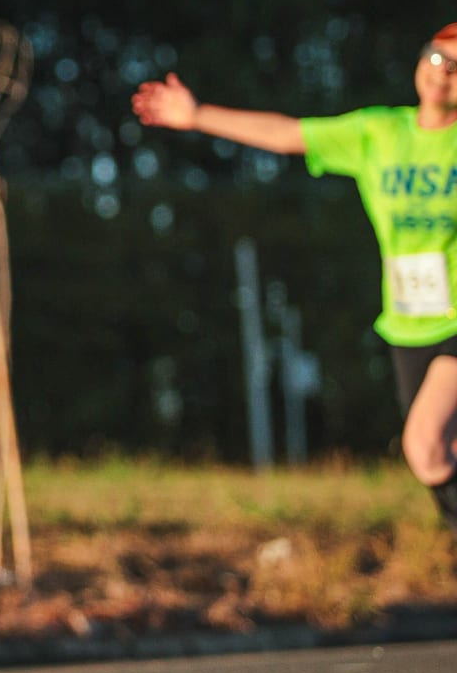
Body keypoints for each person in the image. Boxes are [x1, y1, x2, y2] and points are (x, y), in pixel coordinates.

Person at [132, 31, 457, 535]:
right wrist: (197, 116)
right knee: (436, 453)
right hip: (408, 322)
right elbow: (287, 133)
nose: (444, 72)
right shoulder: (379, 133)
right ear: (420, 62)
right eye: (438, 58)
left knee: (423, 445)